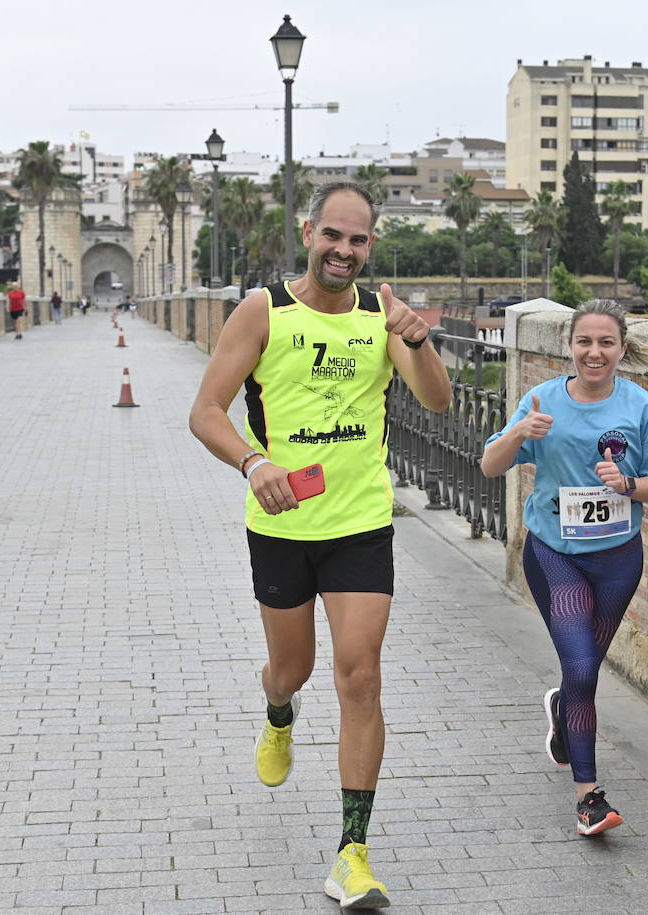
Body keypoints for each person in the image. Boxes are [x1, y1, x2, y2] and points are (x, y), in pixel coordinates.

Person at [188, 180, 450, 909]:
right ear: (309, 233)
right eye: (333, 235)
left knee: (359, 673)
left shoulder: (382, 318)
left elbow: (437, 400)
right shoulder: (263, 311)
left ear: (372, 246)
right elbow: (205, 410)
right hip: (280, 525)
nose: (344, 249)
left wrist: (417, 339)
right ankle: (277, 709)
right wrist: (254, 461)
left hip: (360, 521)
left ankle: (352, 853)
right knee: (293, 668)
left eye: (358, 239)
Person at [480, 300, 648, 837]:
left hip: (618, 559)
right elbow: (489, 463)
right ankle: (589, 797)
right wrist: (519, 432)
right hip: (554, 552)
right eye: (585, 342)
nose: (595, 352)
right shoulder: (541, 399)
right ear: (569, 345)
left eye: (606, 343)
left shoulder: (643, 410)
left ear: (621, 348)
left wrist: (628, 485)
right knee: (584, 668)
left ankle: (563, 710)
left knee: (581, 671)